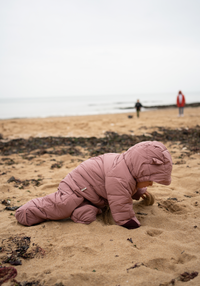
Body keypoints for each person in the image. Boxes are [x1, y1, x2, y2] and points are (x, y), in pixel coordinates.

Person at [15, 141, 172, 230]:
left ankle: (80, 211)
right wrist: (128, 222)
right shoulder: (120, 175)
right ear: (139, 172)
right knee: (61, 204)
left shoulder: (129, 169)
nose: (151, 183)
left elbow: (131, 186)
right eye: (149, 179)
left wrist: (140, 192)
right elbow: (120, 202)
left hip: (94, 196)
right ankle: (28, 211)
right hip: (76, 187)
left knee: (87, 214)